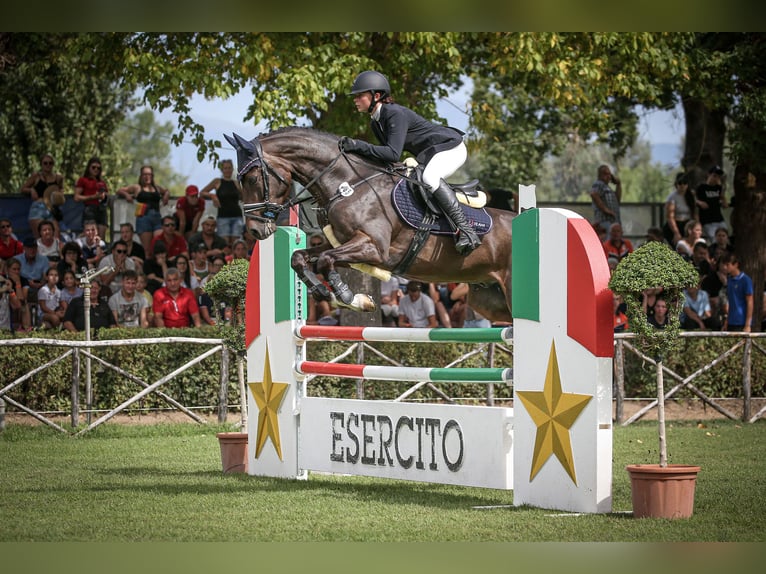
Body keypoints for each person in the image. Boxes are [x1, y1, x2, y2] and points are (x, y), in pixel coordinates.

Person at [340, 70, 480, 255]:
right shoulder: (376, 122)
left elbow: (391, 153)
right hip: (431, 153)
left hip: (450, 147)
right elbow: (389, 159)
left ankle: (467, 231)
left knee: (430, 178)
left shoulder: (394, 113)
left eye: (360, 95)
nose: (355, 99)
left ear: (376, 96)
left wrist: (358, 145)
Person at [117, 165, 170, 257]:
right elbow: (119, 190)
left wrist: (166, 195)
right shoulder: (137, 187)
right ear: (141, 176)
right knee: (147, 249)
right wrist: (126, 195)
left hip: (157, 218)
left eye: (149, 174)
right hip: (144, 218)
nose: (147, 176)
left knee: (159, 245)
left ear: (152, 176)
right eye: (144, 174)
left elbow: (166, 191)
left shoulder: (156, 188)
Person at [19, 154, 65, 239]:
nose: (48, 165)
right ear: (41, 164)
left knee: (56, 237)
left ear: (53, 164)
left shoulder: (58, 177)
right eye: (45, 163)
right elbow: (23, 188)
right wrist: (31, 190)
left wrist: (59, 195)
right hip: (38, 208)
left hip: (52, 209)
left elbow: (61, 189)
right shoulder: (36, 176)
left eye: (50, 163)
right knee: (40, 239)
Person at [199, 159, 244, 246]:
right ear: (222, 170)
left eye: (229, 168)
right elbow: (202, 193)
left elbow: (243, 197)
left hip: (237, 216)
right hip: (223, 216)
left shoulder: (236, 183)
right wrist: (213, 196)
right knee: (224, 243)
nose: (227, 170)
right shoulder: (217, 181)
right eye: (225, 168)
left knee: (236, 243)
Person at [73, 157, 109, 239]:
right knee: (90, 236)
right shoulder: (83, 180)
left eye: (98, 168)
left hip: (102, 209)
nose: (96, 169)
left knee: (101, 238)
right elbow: (76, 197)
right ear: (89, 168)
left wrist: (104, 196)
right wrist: (93, 197)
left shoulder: (102, 182)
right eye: (93, 167)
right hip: (90, 209)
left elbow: (106, 196)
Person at [720, 252, 753, 332]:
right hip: (731, 320)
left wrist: (748, 324)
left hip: (741, 321)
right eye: (724, 265)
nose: (725, 267)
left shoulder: (745, 280)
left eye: (728, 265)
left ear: (736, 265)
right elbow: (731, 302)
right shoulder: (730, 280)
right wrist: (727, 320)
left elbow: (750, 302)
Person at [695, 165, 729, 242]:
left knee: (725, 239)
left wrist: (722, 192)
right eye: (714, 176)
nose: (716, 178)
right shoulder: (701, 187)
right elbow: (693, 200)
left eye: (718, 177)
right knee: (715, 240)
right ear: (709, 175)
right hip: (707, 221)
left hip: (719, 219)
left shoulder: (719, 188)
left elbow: (725, 205)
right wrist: (699, 202)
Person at [663, 172, 696, 247]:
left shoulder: (691, 195)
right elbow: (670, 217)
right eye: (680, 183)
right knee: (678, 247)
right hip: (674, 226)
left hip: (687, 226)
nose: (682, 185)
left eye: (685, 183)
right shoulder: (672, 197)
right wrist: (676, 233)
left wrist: (696, 227)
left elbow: (695, 214)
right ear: (676, 184)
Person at [590, 164, 622, 234]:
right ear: (600, 175)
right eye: (605, 174)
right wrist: (606, 210)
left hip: (613, 221)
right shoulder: (599, 184)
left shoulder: (607, 187)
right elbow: (594, 194)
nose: (608, 177)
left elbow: (618, 199)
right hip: (605, 220)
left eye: (609, 174)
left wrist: (618, 184)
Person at [4, 257, 32, 331]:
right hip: (6, 303)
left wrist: (18, 283)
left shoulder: (23, 280)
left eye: (18, 269)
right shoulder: (3, 280)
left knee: (24, 304)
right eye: (14, 269)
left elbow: (22, 299)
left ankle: (26, 329)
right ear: (7, 270)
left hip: (18, 305)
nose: (16, 272)